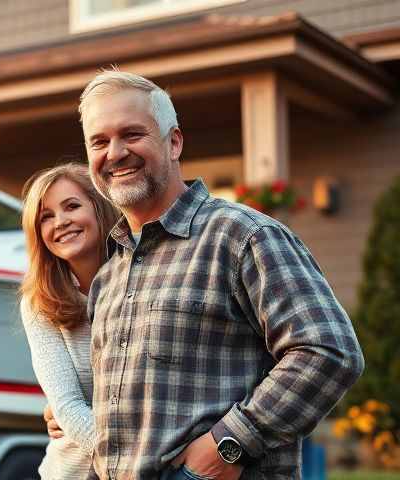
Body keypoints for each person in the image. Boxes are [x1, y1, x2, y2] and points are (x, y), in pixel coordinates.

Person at [72, 69, 364, 479]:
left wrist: (231, 443)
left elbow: (329, 351)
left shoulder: (243, 236)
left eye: (132, 135)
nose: (115, 152)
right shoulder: (110, 273)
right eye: (99, 141)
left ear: (173, 142)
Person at [19, 163, 119, 479]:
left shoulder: (139, 280)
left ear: (99, 208)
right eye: (45, 217)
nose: (60, 223)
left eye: (72, 206)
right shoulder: (38, 302)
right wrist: (128, 465)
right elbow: (67, 408)